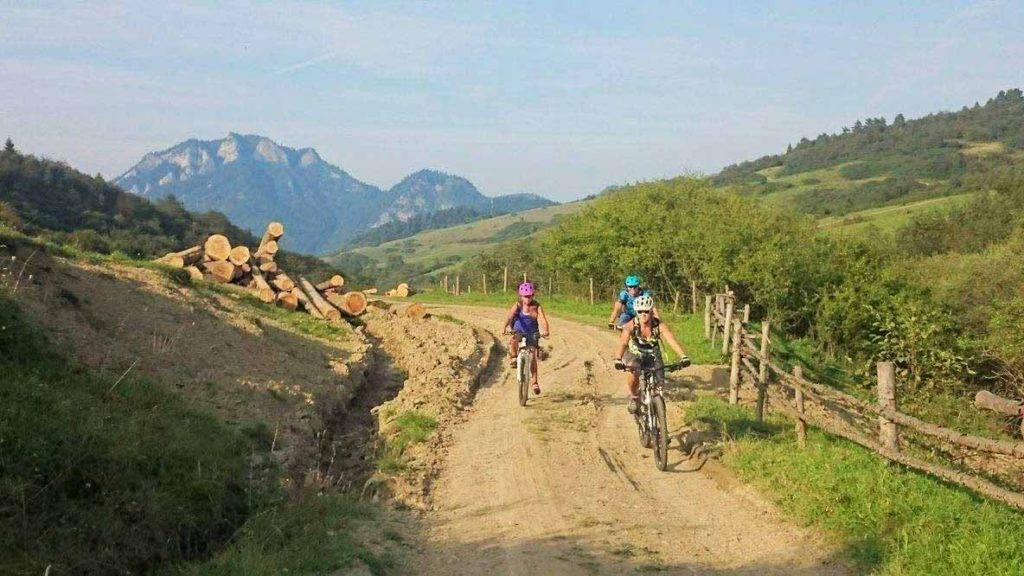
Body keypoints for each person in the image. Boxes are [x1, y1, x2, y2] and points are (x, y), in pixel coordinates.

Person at [613, 294, 690, 414]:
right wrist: (618, 358)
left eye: (646, 311)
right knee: (634, 370)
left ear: (651, 312)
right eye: (640, 311)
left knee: (659, 385)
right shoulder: (631, 326)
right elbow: (623, 343)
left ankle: (658, 413)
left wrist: (683, 356)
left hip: (653, 355)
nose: (643, 314)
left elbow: (671, 340)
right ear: (636, 312)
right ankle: (634, 397)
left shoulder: (658, 325)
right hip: (635, 353)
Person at [502, 281, 551, 395]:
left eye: (529, 296)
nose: (527, 299)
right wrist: (504, 327)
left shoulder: (537, 306)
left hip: (532, 333)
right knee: (514, 339)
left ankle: (534, 383)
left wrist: (546, 330)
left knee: (533, 357)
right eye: (525, 296)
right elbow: (510, 316)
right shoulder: (518, 305)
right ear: (521, 296)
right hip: (519, 330)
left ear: (533, 295)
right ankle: (514, 358)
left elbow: (542, 319)